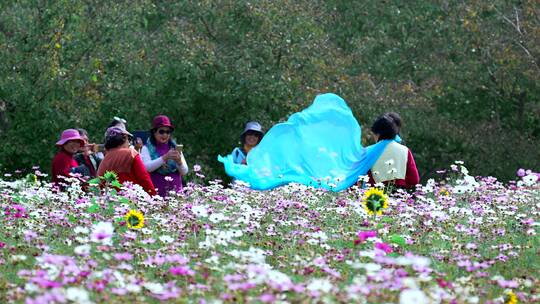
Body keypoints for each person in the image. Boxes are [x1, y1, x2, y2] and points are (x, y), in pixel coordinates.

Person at [97, 126, 156, 195]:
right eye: (129, 139)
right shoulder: (131, 153)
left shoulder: (104, 161)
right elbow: (144, 178)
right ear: (124, 138)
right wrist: (154, 196)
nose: (129, 143)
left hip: (110, 202)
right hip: (132, 199)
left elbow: (100, 186)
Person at [367, 113, 419, 188]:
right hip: (400, 194)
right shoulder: (405, 150)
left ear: (377, 134)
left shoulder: (369, 151)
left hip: (376, 195)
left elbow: (363, 178)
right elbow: (414, 180)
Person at [140, 115, 188, 196]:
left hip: (176, 192)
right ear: (154, 132)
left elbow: (184, 171)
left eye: (168, 132)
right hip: (156, 192)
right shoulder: (146, 148)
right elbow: (147, 168)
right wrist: (164, 158)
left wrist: (179, 162)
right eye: (161, 131)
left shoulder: (174, 147)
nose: (165, 135)